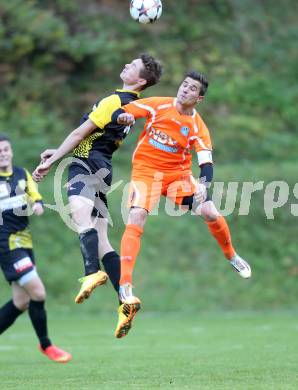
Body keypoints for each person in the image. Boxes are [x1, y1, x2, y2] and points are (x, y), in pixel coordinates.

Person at [111, 71, 252, 338]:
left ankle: (232, 256)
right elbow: (123, 111)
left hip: (177, 177)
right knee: (137, 217)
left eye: (192, 89)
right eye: (184, 85)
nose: (185, 90)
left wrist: (204, 185)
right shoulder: (158, 105)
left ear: (199, 98)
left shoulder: (197, 126)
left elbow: (206, 161)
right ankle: (125, 286)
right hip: (146, 173)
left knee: (210, 211)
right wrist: (123, 117)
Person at [32, 54, 163, 305]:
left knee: (80, 218)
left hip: (85, 164)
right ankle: (125, 297)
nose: (126, 64)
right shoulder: (130, 106)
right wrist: (58, 150)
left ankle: (91, 273)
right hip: (103, 167)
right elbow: (97, 137)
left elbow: (80, 133)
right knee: (102, 240)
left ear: (140, 81)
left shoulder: (114, 100)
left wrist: (52, 160)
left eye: (133, 66)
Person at [0, 134, 72, 363]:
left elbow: (34, 195)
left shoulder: (22, 174)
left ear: (11, 152)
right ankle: (46, 345)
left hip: (24, 241)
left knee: (21, 302)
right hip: (6, 244)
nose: (3, 153)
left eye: (6, 149)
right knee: (38, 292)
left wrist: (38, 204)